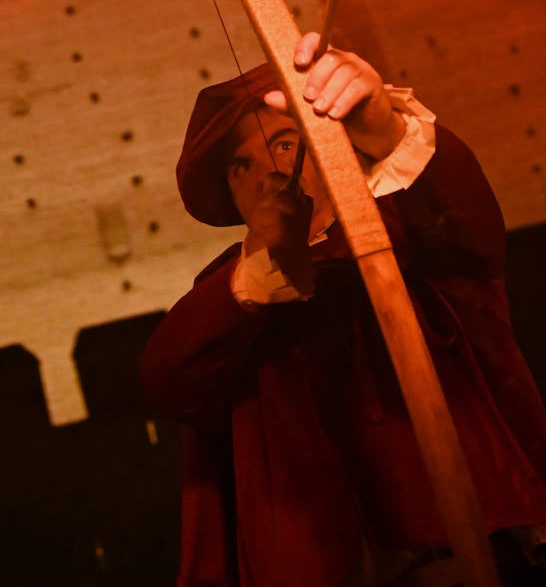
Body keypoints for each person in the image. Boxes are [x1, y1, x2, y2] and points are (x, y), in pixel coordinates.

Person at [139, 33, 546, 587]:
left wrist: (383, 126)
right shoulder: (232, 298)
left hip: (484, 555)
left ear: (332, 143)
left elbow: (465, 224)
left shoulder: (415, 234)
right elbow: (170, 378)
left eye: (285, 143)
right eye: (240, 165)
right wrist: (251, 283)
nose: (267, 175)